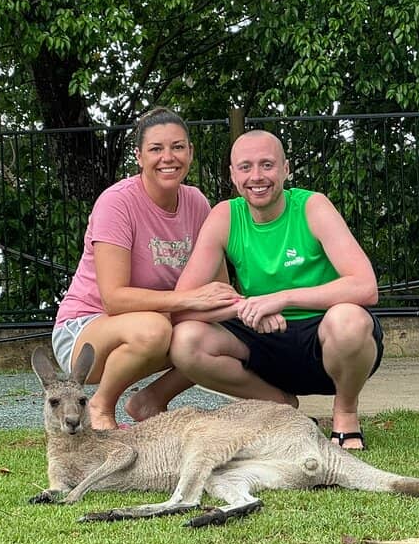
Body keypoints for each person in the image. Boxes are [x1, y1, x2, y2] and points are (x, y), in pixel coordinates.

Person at [170, 129, 383, 450]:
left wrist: (281, 299)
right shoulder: (225, 216)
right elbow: (183, 303)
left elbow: (366, 287)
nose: (257, 176)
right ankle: (280, 406)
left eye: (267, 165)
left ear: (285, 169)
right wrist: (250, 307)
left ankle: (346, 413)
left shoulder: (313, 206)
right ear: (232, 174)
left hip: (324, 338)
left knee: (349, 320)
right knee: (186, 340)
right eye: (245, 167)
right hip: (263, 338)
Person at [51, 107, 240, 430]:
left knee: (227, 336)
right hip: (86, 330)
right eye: (156, 149)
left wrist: (258, 313)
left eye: (178, 147)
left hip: (158, 320)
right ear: (139, 156)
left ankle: (150, 400)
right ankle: (100, 409)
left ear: (190, 152)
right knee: (155, 330)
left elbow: (218, 289)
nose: (168, 157)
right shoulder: (117, 203)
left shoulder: (197, 203)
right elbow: (114, 299)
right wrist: (190, 300)